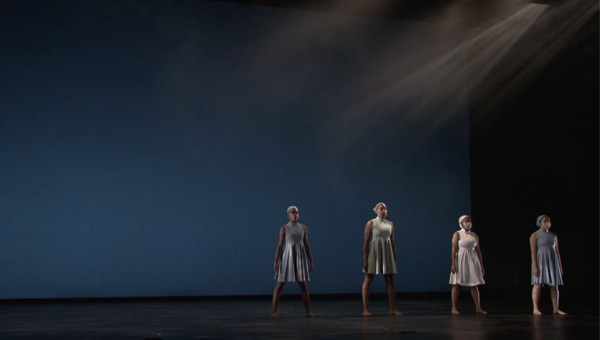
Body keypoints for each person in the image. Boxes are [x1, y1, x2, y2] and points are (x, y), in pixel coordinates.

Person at [272, 206, 314, 319]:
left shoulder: (304, 228)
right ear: (288, 215)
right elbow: (280, 245)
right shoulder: (284, 228)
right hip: (287, 256)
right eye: (292, 212)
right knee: (280, 284)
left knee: (303, 284)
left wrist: (311, 260)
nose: (295, 214)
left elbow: (306, 244)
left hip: (299, 257)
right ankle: (274, 311)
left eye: (297, 212)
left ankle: (308, 311)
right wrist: (275, 262)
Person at [362, 202, 402, 316]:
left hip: (387, 252)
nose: (384, 210)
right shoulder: (371, 223)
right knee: (368, 278)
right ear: (377, 211)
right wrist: (365, 259)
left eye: (385, 209)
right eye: (382, 209)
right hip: (374, 252)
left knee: (390, 280)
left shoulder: (390, 224)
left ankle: (392, 309)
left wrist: (394, 258)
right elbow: (365, 243)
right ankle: (365, 309)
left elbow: (393, 242)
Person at [449, 215, 487, 315]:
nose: (469, 223)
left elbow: (478, 250)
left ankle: (478, 308)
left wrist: (481, 265)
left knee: (474, 284)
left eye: (470, 221)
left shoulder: (474, 235)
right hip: (461, 259)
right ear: (461, 223)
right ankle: (454, 308)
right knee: (457, 284)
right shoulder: (457, 234)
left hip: (472, 259)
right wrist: (453, 264)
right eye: (466, 221)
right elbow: (453, 250)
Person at [530, 214, 566, 315]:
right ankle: (535, 308)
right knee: (538, 284)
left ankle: (556, 308)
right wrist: (535, 266)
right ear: (540, 223)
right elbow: (533, 252)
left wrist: (559, 265)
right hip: (541, 261)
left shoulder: (553, 236)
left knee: (554, 286)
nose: (547, 223)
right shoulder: (535, 235)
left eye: (549, 221)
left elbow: (557, 251)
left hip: (552, 261)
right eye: (545, 221)